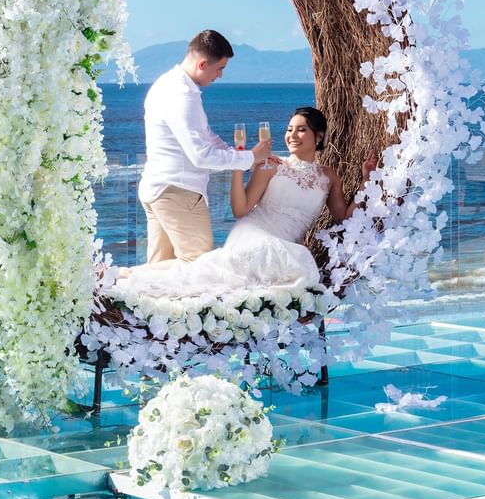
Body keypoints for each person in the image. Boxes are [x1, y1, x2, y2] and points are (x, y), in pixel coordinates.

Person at [116, 106, 375, 299]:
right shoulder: (273, 166)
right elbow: (241, 210)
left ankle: (129, 278)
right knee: (211, 276)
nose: (292, 135)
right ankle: (126, 278)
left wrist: (366, 181)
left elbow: (344, 217)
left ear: (318, 136)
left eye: (301, 129)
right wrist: (240, 165)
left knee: (211, 276)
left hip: (281, 244)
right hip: (252, 233)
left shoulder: (328, 177)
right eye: (289, 129)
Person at [138, 30, 273, 265]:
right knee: (200, 267)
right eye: (220, 68)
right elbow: (201, 156)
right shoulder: (181, 95)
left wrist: (240, 155)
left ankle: (115, 285)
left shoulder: (167, 84)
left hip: (158, 190)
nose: (220, 76)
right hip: (178, 191)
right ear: (202, 64)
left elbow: (206, 136)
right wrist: (250, 158)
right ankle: (112, 279)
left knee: (160, 270)